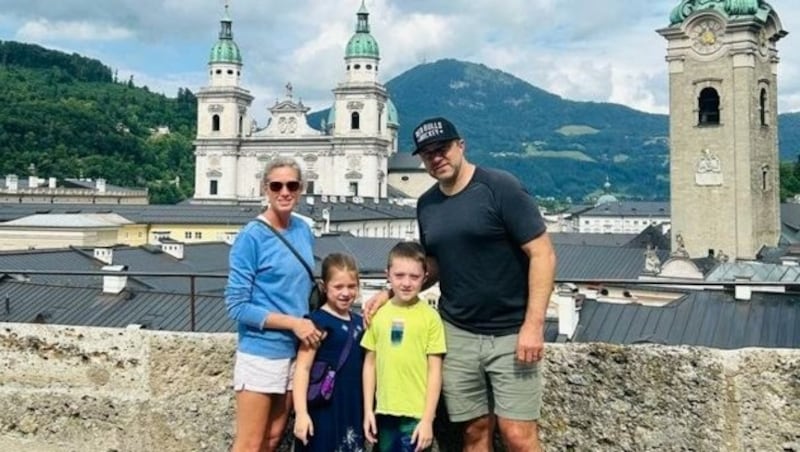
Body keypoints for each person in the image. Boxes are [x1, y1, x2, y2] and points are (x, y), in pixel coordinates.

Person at [367, 117, 557, 452]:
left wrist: (534, 325)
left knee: (517, 435)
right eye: (427, 155)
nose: (436, 158)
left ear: (461, 146)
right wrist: (389, 293)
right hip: (458, 332)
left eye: (442, 149)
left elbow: (542, 253)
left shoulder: (501, 187)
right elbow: (436, 265)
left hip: (511, 331)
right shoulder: (427, 204)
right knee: (473, 431)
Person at [225, 157, 325, 452]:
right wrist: (293, 323)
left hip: (295, 353)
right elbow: (236, 306)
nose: (284, 192)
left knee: (274, 436)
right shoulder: (251, 237)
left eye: (292, 185)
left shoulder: (303, 230)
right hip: (262, 352)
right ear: (265, 189)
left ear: (301, 189)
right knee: (250, 443)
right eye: (276, 185)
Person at [362, 241, 446, 452]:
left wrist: (428, 418)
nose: (406, 283)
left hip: (416, 414)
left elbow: (435, 371)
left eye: (414, 277)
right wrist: (368, 410)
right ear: (387, 275)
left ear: (425, 278)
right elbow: (369, 365)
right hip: (384, 410)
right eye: (399, 276)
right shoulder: (379, 314)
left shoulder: (430, 317)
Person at [293, 253, 366, 451]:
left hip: (351, 405)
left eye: (351, 287)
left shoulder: (360, 323)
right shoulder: (317, 323)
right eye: (338, 287)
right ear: (325, 287)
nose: (346, 293)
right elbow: (303, 368)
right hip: (323, 408)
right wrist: (301, 413)